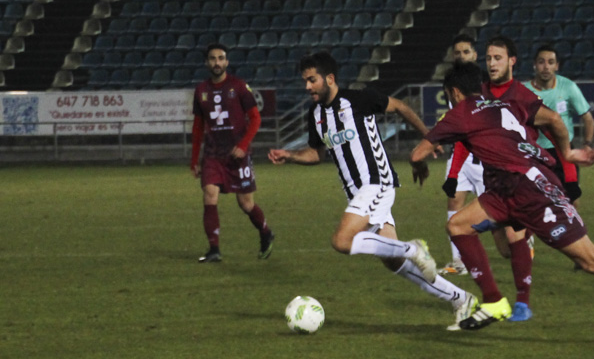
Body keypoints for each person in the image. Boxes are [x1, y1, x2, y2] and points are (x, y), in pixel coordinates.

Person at [409, 62, 594, 346]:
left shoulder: (461, 111)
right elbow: (555, 120)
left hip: (530, 189)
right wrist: (568, 153)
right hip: (506, 188)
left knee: (590, 259)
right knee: (458, 225)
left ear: (455, 92)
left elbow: (418, 152)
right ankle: (495, 301)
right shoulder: (508, 104)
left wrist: (419, 163)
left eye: (449, 96)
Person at [268, 51, 477, 330]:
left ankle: (412, 248)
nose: (307, 86)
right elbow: (317, 154)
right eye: (305, 81)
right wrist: (291, 155)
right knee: (395, 263)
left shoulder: (358, 99)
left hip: (377, 182)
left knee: (342, 241)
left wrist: (428, 139)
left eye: (312, 80)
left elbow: (401, 106)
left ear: (329, 79)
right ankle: (461, 299)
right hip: (358, 194)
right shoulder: (316, 114)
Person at [441, 34, 534, 323]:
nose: (461, 56)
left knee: (506, 242)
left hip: (495, 166)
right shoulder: (463, 87)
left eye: (466, 51)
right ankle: (466, 267)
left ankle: (521, 293)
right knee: (458, 214)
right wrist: (454, 173)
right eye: (457, 52)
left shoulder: (494, 89)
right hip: (471, 157)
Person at [190, 43, 274, 263]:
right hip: (213, 154)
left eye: (221, 58)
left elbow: (256, 119)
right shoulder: (201, 91)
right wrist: (194, 160)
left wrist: (244, 145)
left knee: (246, 204)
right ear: (207, 62)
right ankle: (214, 249)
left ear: (226, 62)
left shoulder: (238, 86)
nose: (216, 62)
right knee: (209, 195)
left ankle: (265, 232)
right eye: (212, 58)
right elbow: (198, 127)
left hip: (238, 155)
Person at [523, 44, 594, 206]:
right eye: (541, 62)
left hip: (564, 151)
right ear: (534, 64)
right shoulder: (524, 91)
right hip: (536, 152)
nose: (546, 66)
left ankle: (573, 231)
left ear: (557, 66)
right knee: (534, 202)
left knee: (572, 200)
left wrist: (587, 144)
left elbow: (588, 118)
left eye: (550, 62)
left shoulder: (568, 87)